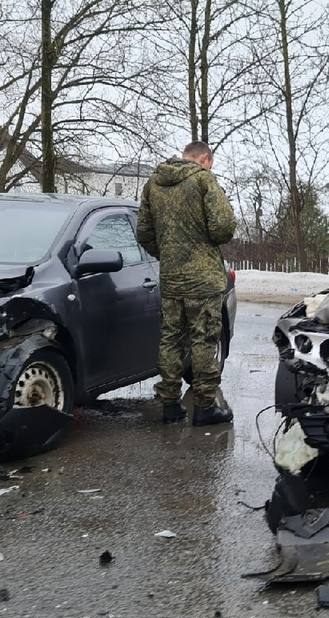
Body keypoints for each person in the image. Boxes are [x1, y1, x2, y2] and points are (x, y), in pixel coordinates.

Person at [136, 141, 236, 426]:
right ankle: (205, 407)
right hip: (203, 278)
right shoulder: (204, 180)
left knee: (171, 339)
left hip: (171, 277)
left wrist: (168, 253)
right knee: (204, 339)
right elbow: (223, 227)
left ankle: (170, 404)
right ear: (204, 159)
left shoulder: (154, 183)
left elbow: (144, 232)